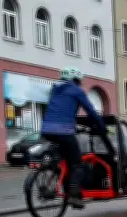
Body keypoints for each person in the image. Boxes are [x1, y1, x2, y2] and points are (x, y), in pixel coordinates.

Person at [40, 67, 106, 209]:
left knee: (64, 158)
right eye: (79, 81)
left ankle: (58, 175)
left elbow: (58, 111)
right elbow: (91, 111)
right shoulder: (76, 90)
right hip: (63, 131)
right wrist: (102, 126)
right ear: (76, 80)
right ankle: (74, 194)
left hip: (46, 129)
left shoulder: (54, 90)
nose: (80, 84)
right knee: (77, 163)